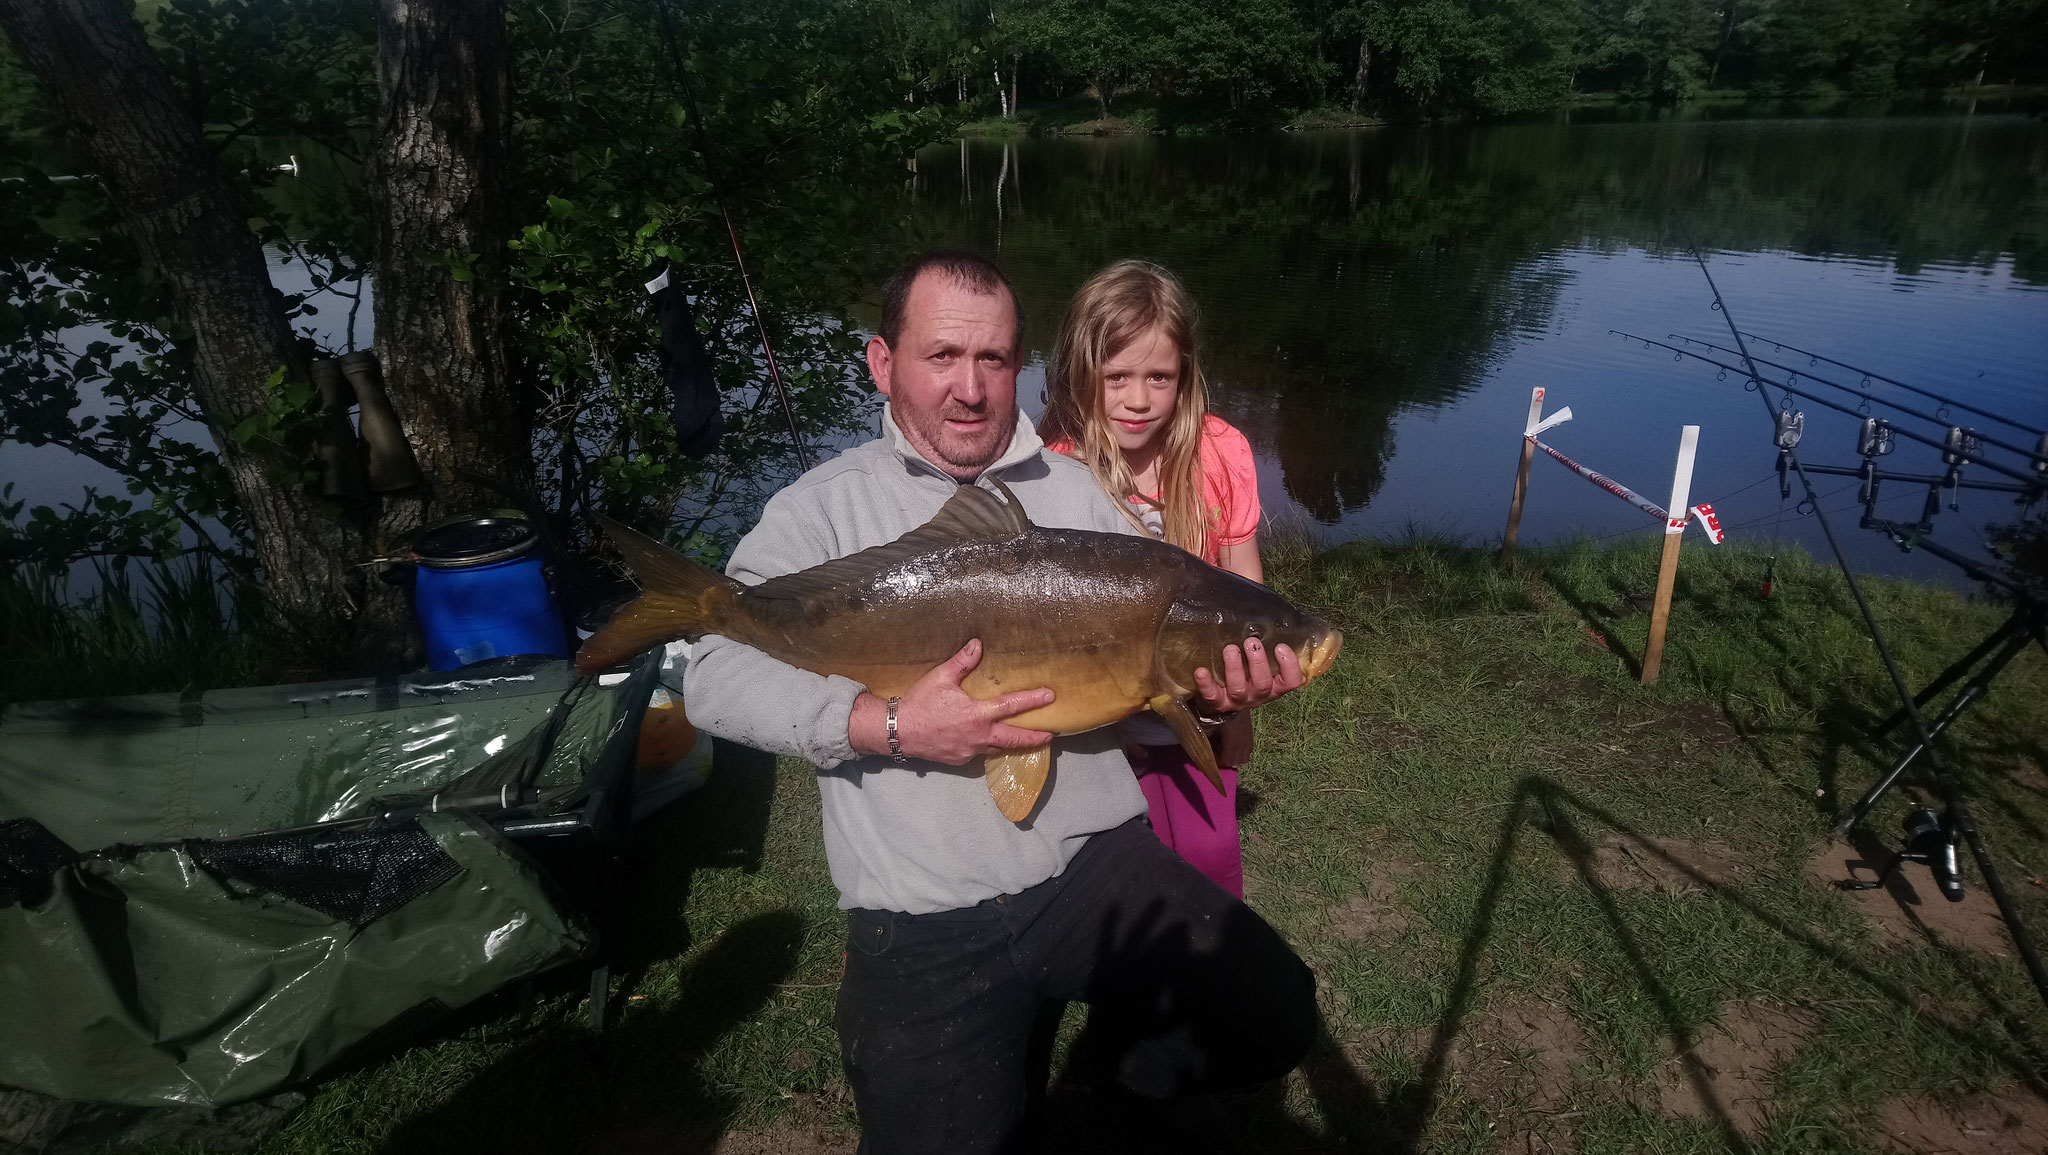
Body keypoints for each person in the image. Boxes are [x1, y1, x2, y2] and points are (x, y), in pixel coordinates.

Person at [682, 250, 1318, 1155]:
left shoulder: (1077, 494)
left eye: (993, 360)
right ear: (881, 362)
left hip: (1094, 861)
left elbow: (1125, 694)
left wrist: (1207, 705)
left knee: (1275, 1007)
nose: (972, 389)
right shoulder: (819, 510)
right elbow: (709, 671)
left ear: (1018, 364)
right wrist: (890, 725)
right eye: (942, 357)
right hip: (925, 908)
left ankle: (1120, 1091)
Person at [1038, 259, 1260, 899]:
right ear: (1081, 375)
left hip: (1194, 722)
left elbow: (1247, 592)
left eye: (1160, 376)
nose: (1139, 400)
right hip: (1090, 730)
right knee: (1108, 882)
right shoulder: (1052, 470)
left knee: (1208, 869)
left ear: (1186, 375)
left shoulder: (1222, 454)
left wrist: (1237, 703)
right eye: (1117, 378)